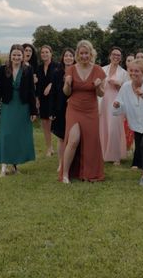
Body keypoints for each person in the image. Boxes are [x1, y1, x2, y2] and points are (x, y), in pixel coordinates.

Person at [60, 40, 106, 183]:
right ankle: (65, 174)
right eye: (82, 53)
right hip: (74, 108)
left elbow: (101, 94)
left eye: (87, 53)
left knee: (91, 142)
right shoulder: (71, 70)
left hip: (91, 110)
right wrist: (67, 83)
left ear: (91, 54)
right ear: (78, 54)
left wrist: (98, 86)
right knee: (73, 140)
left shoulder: (98, 70)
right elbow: (66, 93)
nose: (84, 56)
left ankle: (88, 173)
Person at [0, 44, 38, 177]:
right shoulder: (3, 69)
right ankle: (3, 167)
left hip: (23, 107)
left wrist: (34, 111)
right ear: (10, 55)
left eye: (19, 55)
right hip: (8, 106)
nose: (16, 57)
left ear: (23, 56)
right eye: (14, 54)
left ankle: (15, 167)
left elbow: (31, 92)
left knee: (18, 136)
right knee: (6, 135)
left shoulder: (28, 70)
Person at [99, 47, 129, 164]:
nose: (116, 57)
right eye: (114, 54)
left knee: (114, 128)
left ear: (121, 58)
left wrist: (118, 84)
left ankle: (116, 155)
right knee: (103, 127)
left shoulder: (124, 73)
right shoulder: (102, 69)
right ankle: (103, 153)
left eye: (118, 55)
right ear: (110, 56)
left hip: (116, 102)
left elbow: (126, 91)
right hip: (103, 101)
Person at [50, 48, 75, 171]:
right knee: (61, 137)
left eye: (71, 55)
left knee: (73, 137)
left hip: (75, 108)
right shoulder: (56, 73)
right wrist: (52, 110)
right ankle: (61, 163)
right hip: (60, 108)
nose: (68, 58)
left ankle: (72, 163)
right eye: (66, 55)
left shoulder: (78, 72)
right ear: (63, 58)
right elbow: (53, 93)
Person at [37, 45, 58, 156]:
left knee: (54, 123)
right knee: (45, 123)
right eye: (42, 52)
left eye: (46, 52)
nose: (44, 54)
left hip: (54, 99)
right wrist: (37, 99)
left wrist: (51, 84)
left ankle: (62, 145)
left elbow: (59, 80)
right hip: (42, 99)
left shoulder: (57, 66)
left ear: (51, 53)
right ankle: (49, 148)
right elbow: (37, 84)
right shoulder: (39, 68)